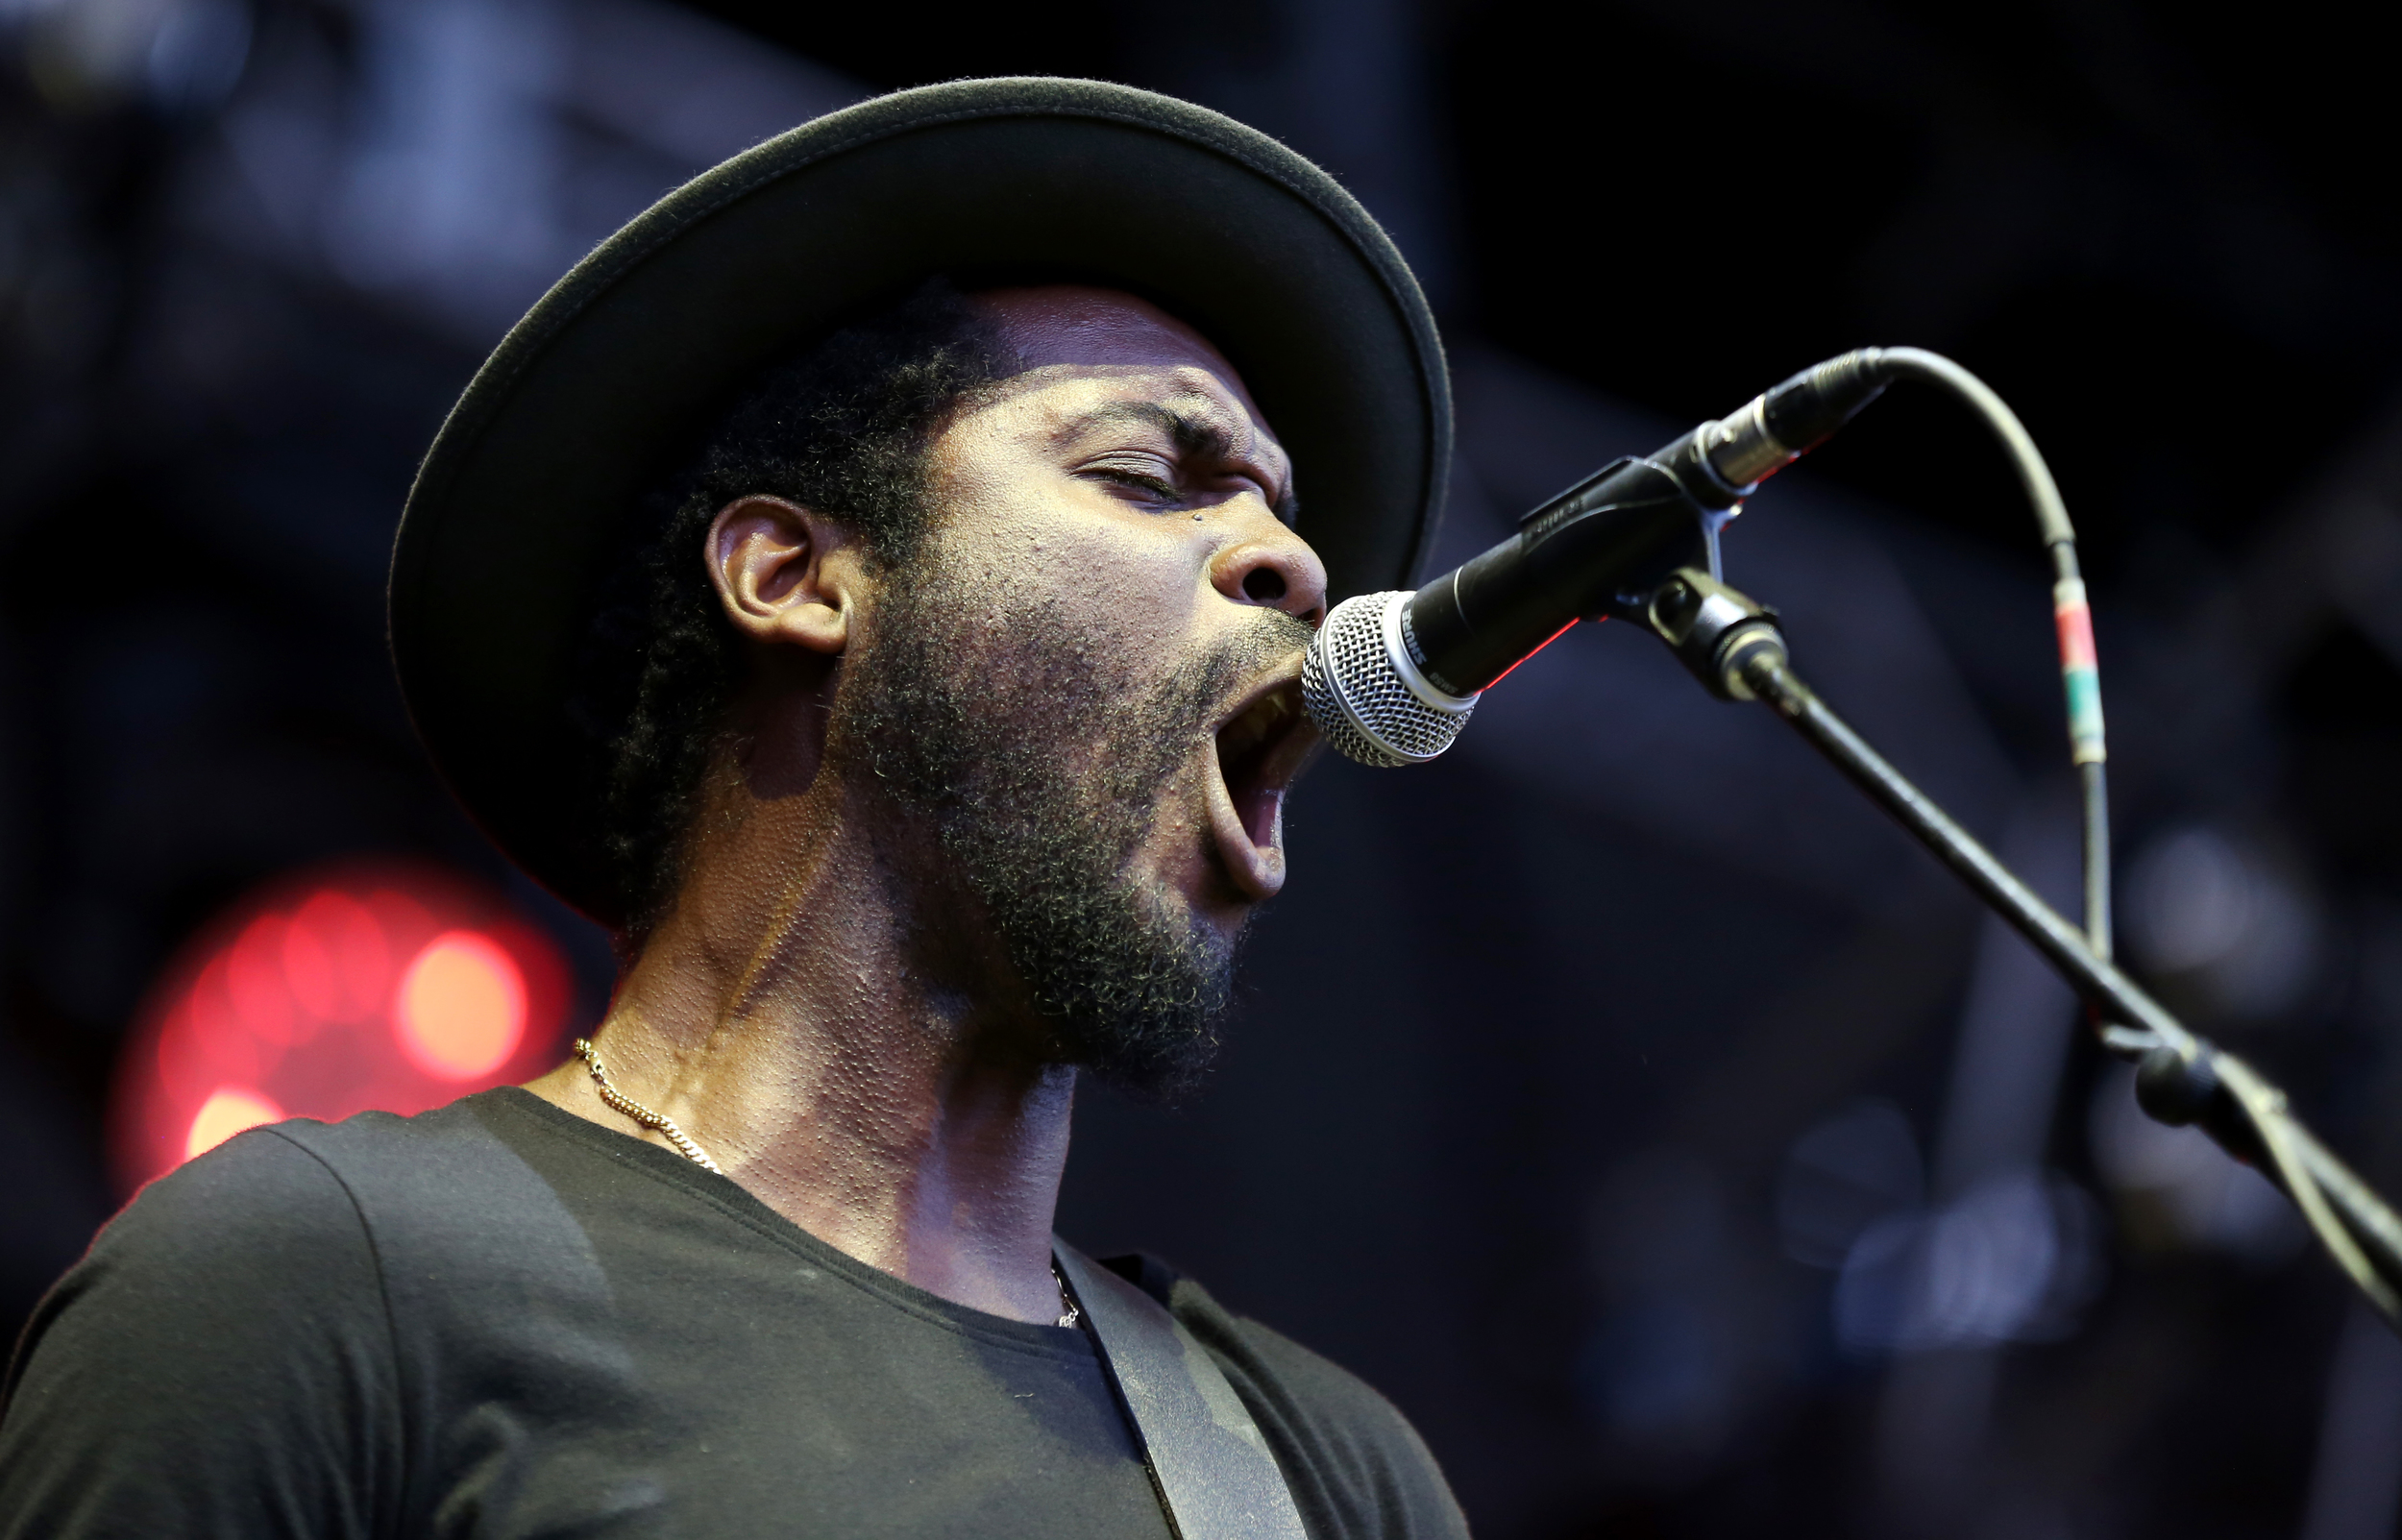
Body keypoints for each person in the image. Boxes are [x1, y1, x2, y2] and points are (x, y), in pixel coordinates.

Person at [0, 79, 1465, 1538]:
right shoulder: (328, 1286)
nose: (1294, 570)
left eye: (1284, 515)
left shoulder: (1323, 1480)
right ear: (795, 577)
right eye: (1149, 477)